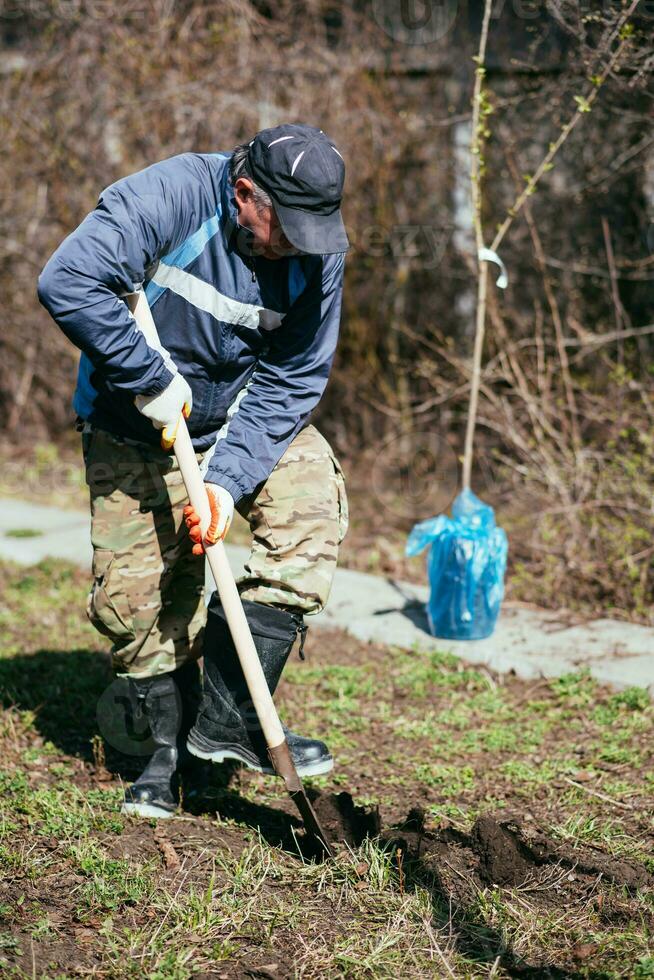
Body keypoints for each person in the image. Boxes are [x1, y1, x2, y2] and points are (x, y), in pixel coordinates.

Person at [38, 123, 350, 818]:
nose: (303, 244)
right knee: (135, 607)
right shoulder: (171, 198)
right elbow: (68, 280)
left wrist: (224, 480)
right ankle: (163, 753)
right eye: (288, 228)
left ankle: (230, 717)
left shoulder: (317, 244)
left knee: (310, 512)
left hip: (238, 417)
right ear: (246, 194)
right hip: (132, 423)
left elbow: (294, 378)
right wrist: (148, 377)